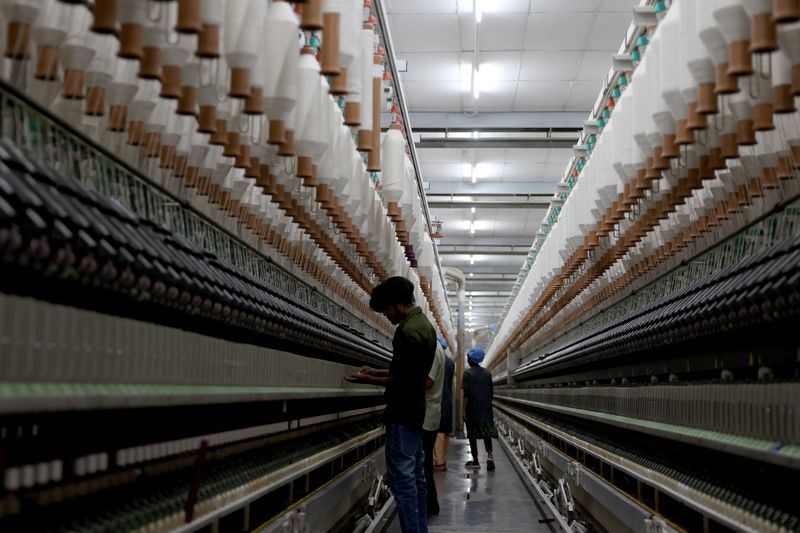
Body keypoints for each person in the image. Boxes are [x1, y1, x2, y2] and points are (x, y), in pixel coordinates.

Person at [345, 276, 437, 533]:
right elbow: (408, 372)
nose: (386, 314)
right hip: (416, 412)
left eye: (386, 308)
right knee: (416, 476)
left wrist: (366, 381)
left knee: (402, 480)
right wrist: (374, 373)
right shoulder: (424, 325)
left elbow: (404, 380)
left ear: (398, 304)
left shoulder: (406, 331)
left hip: (403, 413)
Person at [462, 347, 498, 471]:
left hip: (472, 409)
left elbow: (466, 394)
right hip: (486, 409)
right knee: (486, 433)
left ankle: (476, 460)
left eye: (468, 358)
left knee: (472, 435)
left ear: (471, 360)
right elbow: (491, 393)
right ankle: (490, 456)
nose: (467, 360)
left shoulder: (467, 373)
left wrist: (463, 410)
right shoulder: (487, 374)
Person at [422, 340, 445, 516]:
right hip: (429, 415)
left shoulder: (434, 351)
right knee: (425, 463)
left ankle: (429, 504)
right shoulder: (437, 351)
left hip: (426, 417)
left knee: (424, 464)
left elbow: (427, 382)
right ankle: (430, 503)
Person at [433, 338, 455, 472]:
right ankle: (443, 460)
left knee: (438, 434)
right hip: (447, 401)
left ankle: (438, 462)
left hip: (438, 401)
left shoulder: (437, 359)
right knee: (445, 433)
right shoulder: (450, 362)